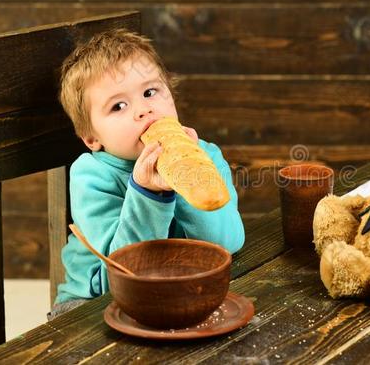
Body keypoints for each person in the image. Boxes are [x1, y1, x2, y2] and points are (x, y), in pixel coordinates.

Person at [49, 29, 245, 319]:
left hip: (180, 290)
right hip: (93, 303)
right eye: (119, 106)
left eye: (150, 92)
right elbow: (122, 271)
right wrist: (149, 194)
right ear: (92, 138)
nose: (143, 110)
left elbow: (226, 244)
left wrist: (188, 174)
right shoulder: (90, 177)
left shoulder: (205, 154)